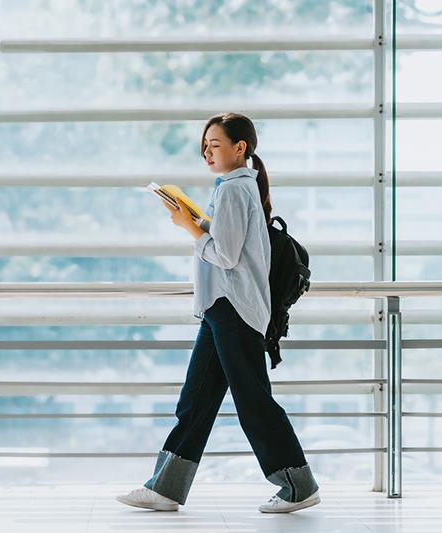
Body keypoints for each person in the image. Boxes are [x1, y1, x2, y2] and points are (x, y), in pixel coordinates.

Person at [116, 113, 319, 514]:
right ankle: (166, 488)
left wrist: (188, 228)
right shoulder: (238, 187)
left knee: (253, 402)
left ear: (240, 148)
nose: (207, 152)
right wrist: (198, 220)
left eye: (216, 144)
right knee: (196, 401)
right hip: (221, 309)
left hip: (233, 310)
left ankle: (299, 485)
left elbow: (225, 255)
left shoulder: (232, 190)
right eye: (205, 146)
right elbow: (233, 244)